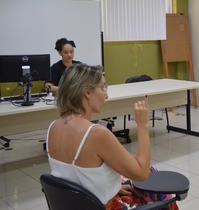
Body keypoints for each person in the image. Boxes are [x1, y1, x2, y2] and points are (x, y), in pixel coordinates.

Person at [46, 63, 151, 208]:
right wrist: (142, 125)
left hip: (77, 205)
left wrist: (111, 188)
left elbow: (73, 176)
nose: (106, 95)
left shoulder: (53, 127)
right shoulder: (96, 134)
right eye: (103, 88)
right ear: (87, 92)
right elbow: (141, 173)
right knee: (160, 192)